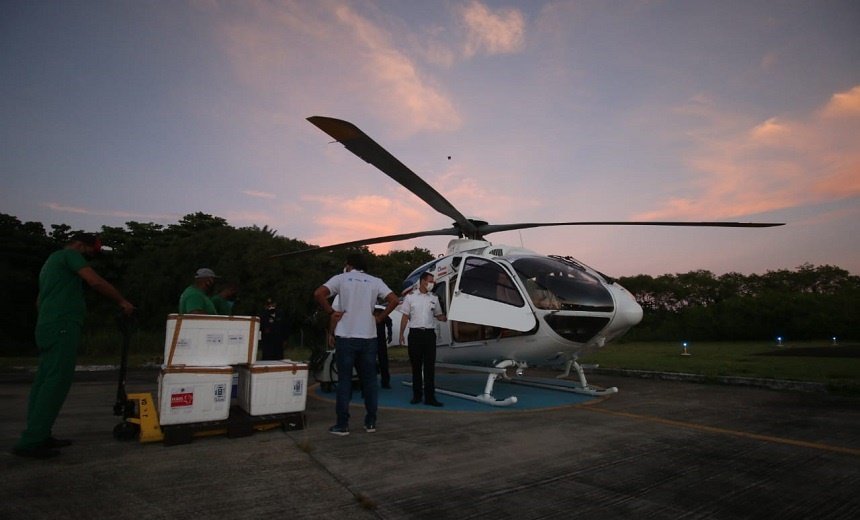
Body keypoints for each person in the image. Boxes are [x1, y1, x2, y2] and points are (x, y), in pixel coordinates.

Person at [12, 233, 135, 459]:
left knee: (44, 380)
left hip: (47, 325)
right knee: (57, 380)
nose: (90, 258)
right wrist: (122, 301)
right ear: (79, 245)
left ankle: (39, 432)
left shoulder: (50, 263)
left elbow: (40, 300)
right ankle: (32, 441)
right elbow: (94, 281)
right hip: (63, 325)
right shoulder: (69, 255)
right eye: (90, 252)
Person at [313, 253, 398, 436]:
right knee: (369, 382)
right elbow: (394, 300)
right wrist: (380, 318)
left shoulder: (341, 279)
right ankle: (370, 422)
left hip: (346, 337)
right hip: (368, 337)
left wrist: (330, 312)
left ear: (349, 265)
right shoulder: (376, 281)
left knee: (344, 382)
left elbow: (319, 293)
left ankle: (342, 424)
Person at [399, 271, 447, 407]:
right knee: (416, 366)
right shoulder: (410, 298)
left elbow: (438, 314)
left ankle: (430, 397)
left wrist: (445, 317)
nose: (432, 284)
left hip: (429, 334)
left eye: (433, 282)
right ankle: (417, 395)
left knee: (429, 367)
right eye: (430, 281)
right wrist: (401, 333)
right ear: (422, 281)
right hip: (415, 334)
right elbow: (404, 316)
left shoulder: (434, 298)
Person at [373, 305, 393, 389]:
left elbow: (389, 322)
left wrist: (390, 333)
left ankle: (385, 382)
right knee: (369, 362)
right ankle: (371, 382)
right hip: (370, 340)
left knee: (383, 362)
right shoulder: (367, 311)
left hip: (380, 340)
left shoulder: (381, 312)